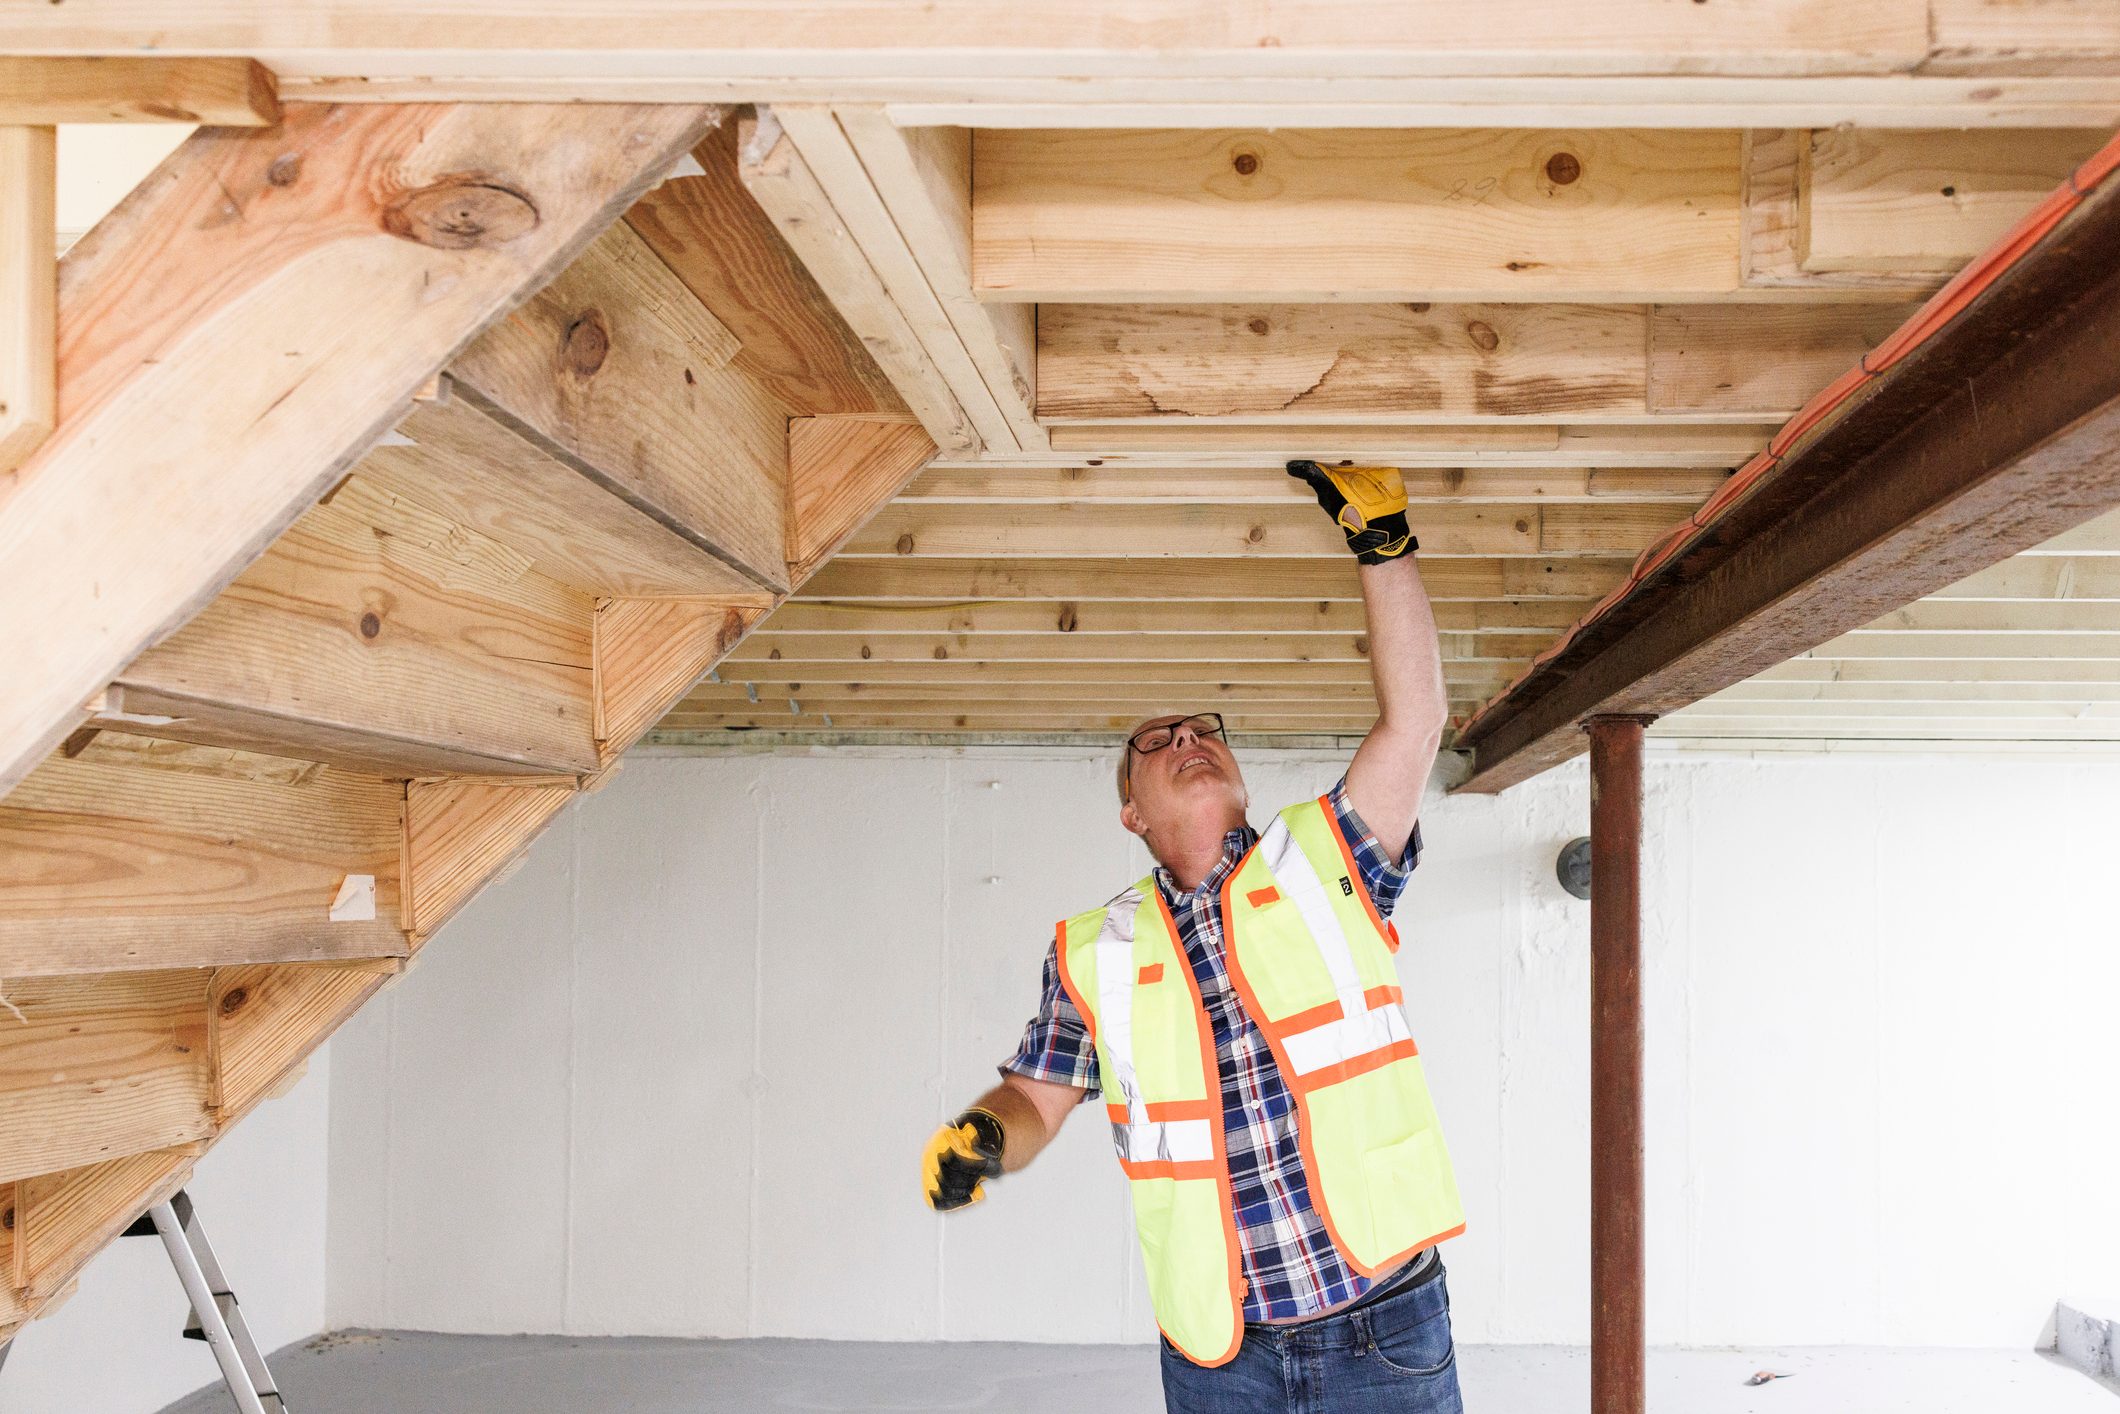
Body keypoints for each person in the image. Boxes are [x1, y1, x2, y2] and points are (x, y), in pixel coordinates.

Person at [921, 462, 1466, 1413]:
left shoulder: (1326, 857)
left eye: (1203, 728)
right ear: (1131, 813)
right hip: (1223, 1349)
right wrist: (981, 1141)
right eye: (1157, 739)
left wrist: (1384, 545)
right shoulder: (1096, 952)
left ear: (1238, 775)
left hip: (1380, 1315)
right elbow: (1035, 1100)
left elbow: (1415, 720)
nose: (1187, 738)